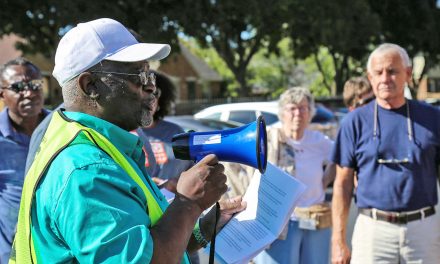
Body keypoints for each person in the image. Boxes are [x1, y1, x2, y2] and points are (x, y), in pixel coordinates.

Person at [10, 18, 245, 263]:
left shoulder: (98, 146)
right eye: (138, 76)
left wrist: (202, 230)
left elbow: (147, 241)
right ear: (91, 85)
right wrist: (188, 203)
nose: (150, 87)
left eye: (150, 75)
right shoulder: (87, 170)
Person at [331, 43, 440, 264]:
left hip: (423, 229)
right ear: (369, 77)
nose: (385, 78)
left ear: (408, 74)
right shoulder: (354, 122)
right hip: (373, 231)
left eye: (392, 71)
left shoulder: (433, 118)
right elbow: (342, 184)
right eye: (378, 72)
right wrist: (338, 239)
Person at [254, 87, 336, 264]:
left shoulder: (318, 140)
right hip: (279, 221)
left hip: (314, 218)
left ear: (310, 113)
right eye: (292, 108)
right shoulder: (269, 138)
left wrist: (324, 181)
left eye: (303, 108)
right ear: (282, 113)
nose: (298, 113)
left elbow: (339, 158)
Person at [0, 57, 49, 263]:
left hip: (59, 249)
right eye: (18, 87)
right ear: (2, 93)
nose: (29, 93)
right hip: (14, 253)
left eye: (35, 85)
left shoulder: (63, 129)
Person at [134, 71, 193, 193]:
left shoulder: (175, 132)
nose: (150, 98)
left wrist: (177, 184)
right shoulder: (123, 133)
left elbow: (192, 169)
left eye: (154, 93)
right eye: (143, 92)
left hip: (174, 202)